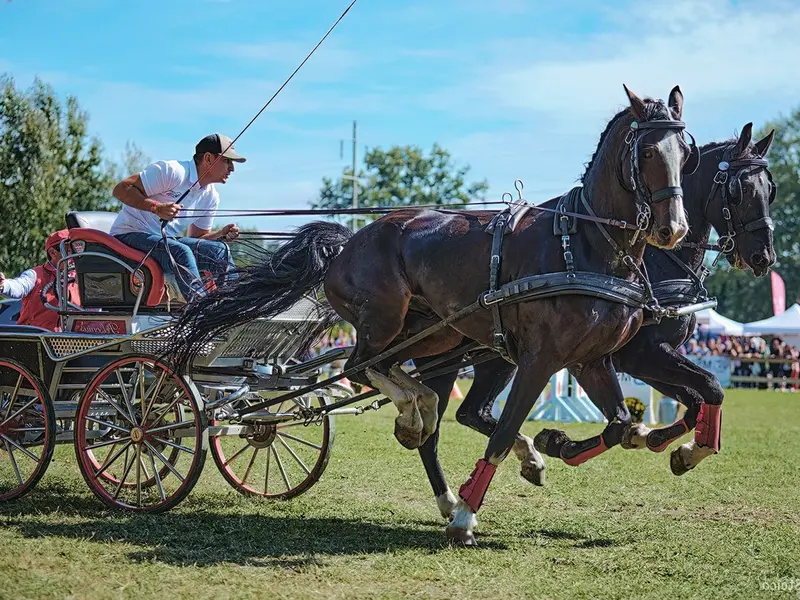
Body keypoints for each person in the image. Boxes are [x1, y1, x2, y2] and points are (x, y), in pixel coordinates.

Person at [110, 133, 245, 301]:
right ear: (209, 159)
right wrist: (155, 207)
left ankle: (233, 307)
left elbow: (197, 238)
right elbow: (121, 189)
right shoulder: (173, 171)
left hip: (163, 241)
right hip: (128, 235)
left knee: (220, 251)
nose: (232, 168)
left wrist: (219, 235)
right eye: (227, 161)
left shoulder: (211, 197)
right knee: (181, 252)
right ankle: (201, 312)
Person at [0, 229, 80, 331]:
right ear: (53, 253)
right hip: (34, 341)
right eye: (69, 251)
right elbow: (19, 286)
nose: (74, 256)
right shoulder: (35, 275)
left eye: (76, 250)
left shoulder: (80, 277)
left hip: (67, 342)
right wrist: (3, 285)